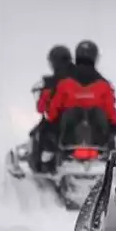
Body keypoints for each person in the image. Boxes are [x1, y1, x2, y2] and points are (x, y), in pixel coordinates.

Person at [44, 40, 116, 168]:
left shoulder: (65, 83)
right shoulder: (104, 85)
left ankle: (49, 160)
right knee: (109, 127)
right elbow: (111, 111)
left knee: (53, 127)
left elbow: (54, 108)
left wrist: (50, 123)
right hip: (98, 139)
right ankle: (113, 162)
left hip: (68, 137)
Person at [27, 45, 75, 173]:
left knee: (39, 132)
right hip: (85, 122)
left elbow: (42, 108)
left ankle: (44, 163)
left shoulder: (51, 82)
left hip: (60, 123)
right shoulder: (82, 77)